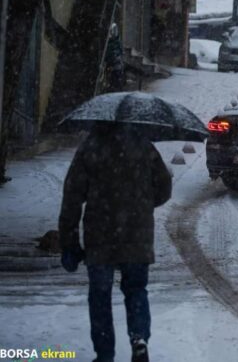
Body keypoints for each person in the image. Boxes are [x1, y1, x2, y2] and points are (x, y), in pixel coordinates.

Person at [59, 123, 172, 362]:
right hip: (137, 236)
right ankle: (139, 338)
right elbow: (164, 187)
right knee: (136, 290)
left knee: (100, 295)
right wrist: (141, 206)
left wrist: (69, 241)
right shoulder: (144, 146)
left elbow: (72, 197)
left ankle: (105, 353)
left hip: (100, 236)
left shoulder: (90, 147)